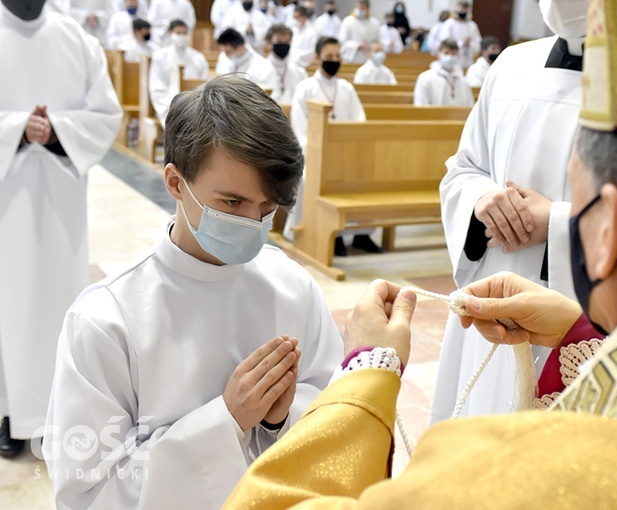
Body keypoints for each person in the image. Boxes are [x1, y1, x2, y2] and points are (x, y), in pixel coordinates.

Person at [221, 0, 617, 501]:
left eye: (579, 200)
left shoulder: (497, 474)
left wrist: (367, 369)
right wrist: (578, 334)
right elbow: (463, 169)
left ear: (606, 230)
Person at [44, 74, 344, 509]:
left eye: (267, 208)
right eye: (232, 204)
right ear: (175, 183)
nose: (253, 225)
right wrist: (227, 421)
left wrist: (282, 420)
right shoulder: (106, 320)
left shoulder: (292, 286)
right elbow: (89, 491)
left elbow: (330, 412)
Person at [431, 0, 587, 424]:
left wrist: (557, 223)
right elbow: (463, 169)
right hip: (490, 299)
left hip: (575, 313)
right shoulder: (512, 63)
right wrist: (481, 201)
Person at [0, 0, 121, 459]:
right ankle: (11, 413)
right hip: (5, 201)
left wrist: (55, 131)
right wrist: (14, 128)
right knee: (7, 305)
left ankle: (58, 412)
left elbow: (106, 114)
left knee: (58, 302)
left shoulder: (77, 39)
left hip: (59, 205)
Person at [287, 36, 381, 256]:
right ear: (318, 57)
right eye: (329, 56)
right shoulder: (305, 87)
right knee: (308, 179)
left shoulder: (346, 88)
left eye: (337, 56)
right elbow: (299, 129)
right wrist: (319, 151)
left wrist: (349, 150)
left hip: (345, 154)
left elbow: (359, 121)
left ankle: (361, 234)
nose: (334, 60)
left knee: (366, 175)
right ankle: (327, 234)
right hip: (313, 155)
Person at [149, 19, 208, 127]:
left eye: (184, 33)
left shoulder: (198, 58)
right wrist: (174, 103)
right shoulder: (160, 57)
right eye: (178, 33)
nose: (182, 36)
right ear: (170, 34)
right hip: (168, 104)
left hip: (194, 104)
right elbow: (157, 85)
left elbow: (204, 82)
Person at [413, 39, 474, 107]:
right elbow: (420, 105)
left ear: (458, 55)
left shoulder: (464, 81)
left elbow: (470, 106)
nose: (450, 57)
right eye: (446, 53)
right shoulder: (425, 78)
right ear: (438, 54)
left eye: (453, 53)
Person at [263, 23, 309, 105]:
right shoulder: (257, 70)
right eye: (279, 41)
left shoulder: (300, 72)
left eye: (287, 42)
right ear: (268, 43)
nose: (283, 45)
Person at [338, 0, 380, 64]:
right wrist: (357, 45)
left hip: (368, 57)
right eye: (359, 7)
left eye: (363, 8)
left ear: (367, 8)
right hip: (351, 58)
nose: (361, 10)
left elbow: (378, 42)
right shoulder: (347, 22)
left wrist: (371, 46)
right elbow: (342, 42)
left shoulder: (374, 23)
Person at [442, 1, 481, 70]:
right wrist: (462, 43)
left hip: (468, 60)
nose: (463, 11)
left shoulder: (472, 25)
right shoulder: (449, 24)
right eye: (461, 8)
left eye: (465, 9)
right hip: (453, 59)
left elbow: (478, 42)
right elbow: (445, 42)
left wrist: (470, 44)